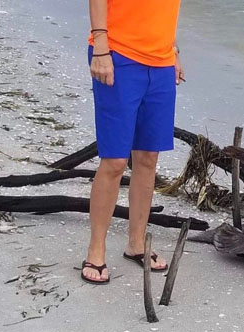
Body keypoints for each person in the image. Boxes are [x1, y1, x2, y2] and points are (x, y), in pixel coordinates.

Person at [82, 0, 184, 284]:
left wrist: (173, 50)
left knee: (148, 157)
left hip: (161, 61)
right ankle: (96, 250)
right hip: (118, 54)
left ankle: (136, 244)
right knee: (114, 160)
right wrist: (100, 48)